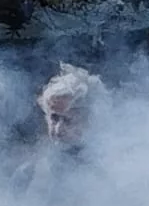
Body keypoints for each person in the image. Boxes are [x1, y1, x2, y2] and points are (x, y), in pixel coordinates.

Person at [16, 63, 104, 195]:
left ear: (90, 122)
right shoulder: (27, 175)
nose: (58, 129)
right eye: (54, 118)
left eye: (68, 120)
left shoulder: (108, 175)